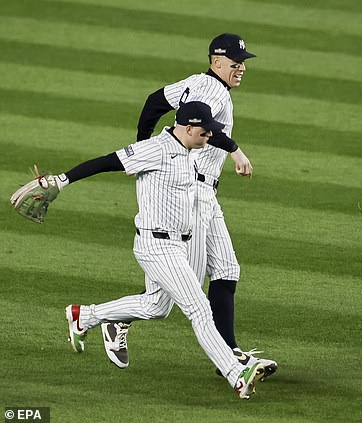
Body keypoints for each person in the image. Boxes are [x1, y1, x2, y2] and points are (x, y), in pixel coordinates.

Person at [60, 101, 265, 399]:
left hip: (177, 244)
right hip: (156, 246)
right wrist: (62, 180)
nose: (210, 137)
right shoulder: (154, 149)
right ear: (189, 128)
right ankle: (237, 374)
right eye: (206, 132)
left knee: (156, 308)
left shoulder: (187, 151)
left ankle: (85, 316)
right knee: (199, 309)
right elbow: (106, 161)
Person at [102, 33, 278, 378]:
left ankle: (229, 354)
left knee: (227, 270)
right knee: (180, 290)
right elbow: (203, 127)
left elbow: (155, 101)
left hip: (205, 195)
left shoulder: (195, 82)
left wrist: (143, 144)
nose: (241, 68)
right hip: (191, 195)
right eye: (235, 62)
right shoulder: (212, 90)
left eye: (243, 62)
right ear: (216, 62)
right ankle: (113, 319)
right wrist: (236, 150)